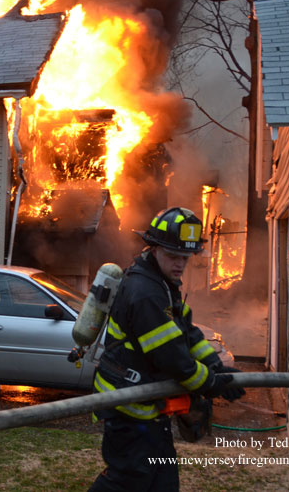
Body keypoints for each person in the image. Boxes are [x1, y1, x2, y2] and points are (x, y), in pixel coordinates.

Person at [89, 207, 245, 492]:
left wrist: (216, 365)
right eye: (173, 256)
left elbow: (188, 333)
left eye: (185, 258)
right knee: (129, 479)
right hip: (129, 408)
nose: (180, 264)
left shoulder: (162, 283)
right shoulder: (145, 292)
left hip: (150, 408)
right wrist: (211, 383)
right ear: (154, 248)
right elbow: (173, 358)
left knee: (162, 481)